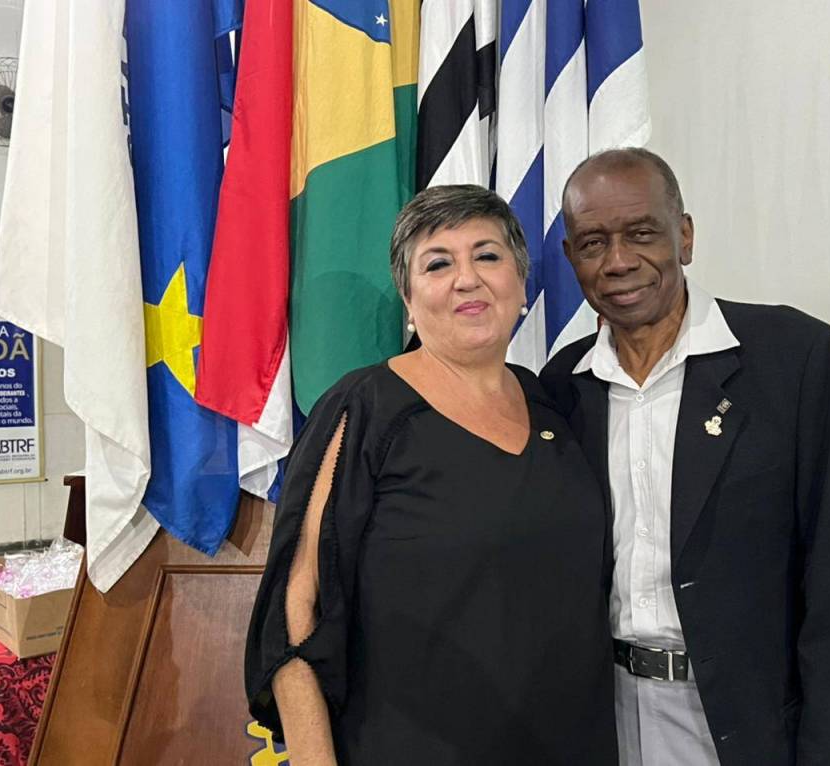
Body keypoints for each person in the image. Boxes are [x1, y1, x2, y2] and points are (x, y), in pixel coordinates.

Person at [540, 148, 830, 765]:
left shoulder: (793, 358)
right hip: (604, 718)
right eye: (593, 243)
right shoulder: (564, 386)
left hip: (747, 721)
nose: (618, 261)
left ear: (685, 236)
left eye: (641, 233)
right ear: (571, 258)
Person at [244, 185, 618, 766]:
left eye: (487, 255)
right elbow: (298, 607)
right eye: (438, 264)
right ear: (409, 298)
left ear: (522, 282)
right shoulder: (365, 407)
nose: (467, 279)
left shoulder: (556, 405)